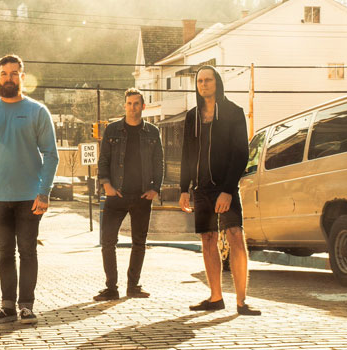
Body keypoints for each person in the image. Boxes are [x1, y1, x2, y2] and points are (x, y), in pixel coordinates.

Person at [0, 54, 59, 324]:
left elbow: (51, 154)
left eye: (14, 73)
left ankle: (27, 306)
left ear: (22, 76)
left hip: (30, 198)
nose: (9, 78)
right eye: (4, 74)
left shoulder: (37, 111)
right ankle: (8, 306)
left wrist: (44, 192)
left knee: (28, 251)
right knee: (4, 252)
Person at [178, 66, 261, 316]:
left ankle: (242, 301)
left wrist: (227, 190)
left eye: (208, 80)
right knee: (208, 239)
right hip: (201, 189)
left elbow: (241, 154)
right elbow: (187, 154)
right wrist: (184, 189)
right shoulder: (192, 116)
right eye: (200, 81)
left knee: (235, 235)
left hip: (226, 188)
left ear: (217, 82)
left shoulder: (234, 113)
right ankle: (215, 297)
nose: (203, 84)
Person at [94, 88, 164, 301]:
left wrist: (155, 189)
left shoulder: (152, 132)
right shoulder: (112, 130)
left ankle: (133, 286)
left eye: (136, 104)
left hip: (142, 196)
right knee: (107, 241)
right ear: (125, 106)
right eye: (129, 103)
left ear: (143, 106)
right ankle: (111, 288)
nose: (133, 107)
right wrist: (106, 184)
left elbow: (158, 162)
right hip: (117, 194)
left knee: (139, 243)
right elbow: (104, 159)